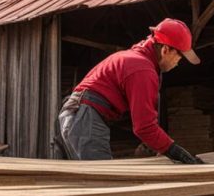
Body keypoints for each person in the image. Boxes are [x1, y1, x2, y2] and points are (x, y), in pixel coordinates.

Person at [54, 18, 204, 164]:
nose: (178, 63)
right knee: (104, 182)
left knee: (82, 183)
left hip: (78, 115)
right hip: (84, 118)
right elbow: (144, 128)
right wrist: (178, 153)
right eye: (179, 56)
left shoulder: (136, 60)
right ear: (165, 50)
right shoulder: (142, 70)